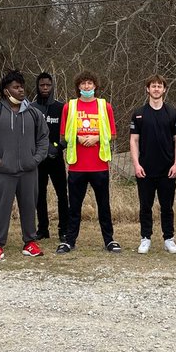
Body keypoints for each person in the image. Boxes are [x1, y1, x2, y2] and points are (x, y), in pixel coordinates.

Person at [0, 70, 49, 261]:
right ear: (6, 90)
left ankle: (30, 243)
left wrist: (35, 160)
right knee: (1, 209)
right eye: (16, 87)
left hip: (28, 171)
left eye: (22, 87)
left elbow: (43, 138)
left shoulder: (34, 113)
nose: (21, 90)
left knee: (28, 207)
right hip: (2, 172)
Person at [57, 72, 120, 253]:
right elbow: (64, 134)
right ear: (78, 86)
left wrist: (97, 137)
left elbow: (113, 134)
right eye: (83, 83)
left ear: (95, 86)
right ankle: (70, 241)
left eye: (89, 83)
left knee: (103, 205)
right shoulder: (70, 107)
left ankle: (109, 240)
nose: (86, 86)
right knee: (74, 206)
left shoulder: (104, 106)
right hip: (77, 165)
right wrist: (77, 138)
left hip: (99, 164)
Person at [129, 75, 176, 254]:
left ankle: (169, 238)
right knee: (145, 206)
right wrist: (136, 165)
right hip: (145, 170)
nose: (156, 89)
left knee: (167, 207)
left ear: (164, 89)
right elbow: (133, 141)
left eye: (159, 86)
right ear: (147, 89)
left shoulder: (172, 113)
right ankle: (145, 238)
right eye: (153, 86)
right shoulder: (139, 113)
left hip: (167, 170)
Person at [33, 72, 69, 242]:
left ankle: (63, 229)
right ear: (37, 87)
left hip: (56, 158)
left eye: (48, 85)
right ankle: (42, 229)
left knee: (62, 194)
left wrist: (60, 146)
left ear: (52, 86)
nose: (45, 88)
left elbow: (70, 131)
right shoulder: (31, 108)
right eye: (42, 85)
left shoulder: (62, 108)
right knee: (39, 194)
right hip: (38, 159)